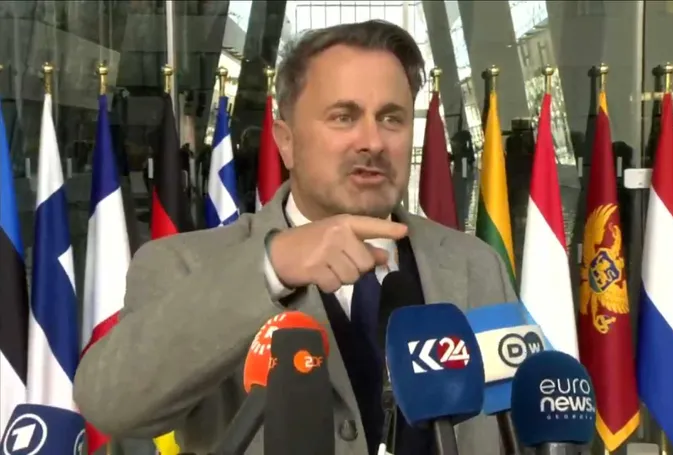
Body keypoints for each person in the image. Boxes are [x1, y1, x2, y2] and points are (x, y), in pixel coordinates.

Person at [74, 20, 516, 455]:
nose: (373, 141)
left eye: (391, 118)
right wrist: (271, 267)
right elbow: (110, 404)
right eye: (343, 117)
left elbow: (519, 423)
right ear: (285, 142)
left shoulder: (474, 264)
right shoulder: (183, 264)